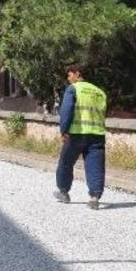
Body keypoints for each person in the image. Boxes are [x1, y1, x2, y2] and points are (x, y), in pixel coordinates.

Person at [54, 64, 107, 210]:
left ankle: (63, 192)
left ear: (77, 74)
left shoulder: (73, 89)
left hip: (76, 134)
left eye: (69, 74)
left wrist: (64, 131)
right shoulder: (100, 92)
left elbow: (66, 111)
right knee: (95, 166)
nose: (68, 78)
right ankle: (94, 198)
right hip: (97, 135)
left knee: (65, 162)